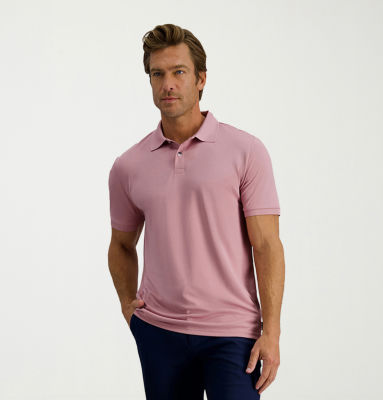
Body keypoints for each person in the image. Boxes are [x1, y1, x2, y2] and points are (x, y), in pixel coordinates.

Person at [108, 23, 285, 400]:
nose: (168, 84)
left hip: (232, 333)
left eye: (179, 72)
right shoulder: (129, 165)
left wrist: (271, 332)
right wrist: (129, 307)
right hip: (159, 332)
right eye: (158, 74)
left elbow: (267, 245)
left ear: (201, 79)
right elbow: (121, 244)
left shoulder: (246, 151)